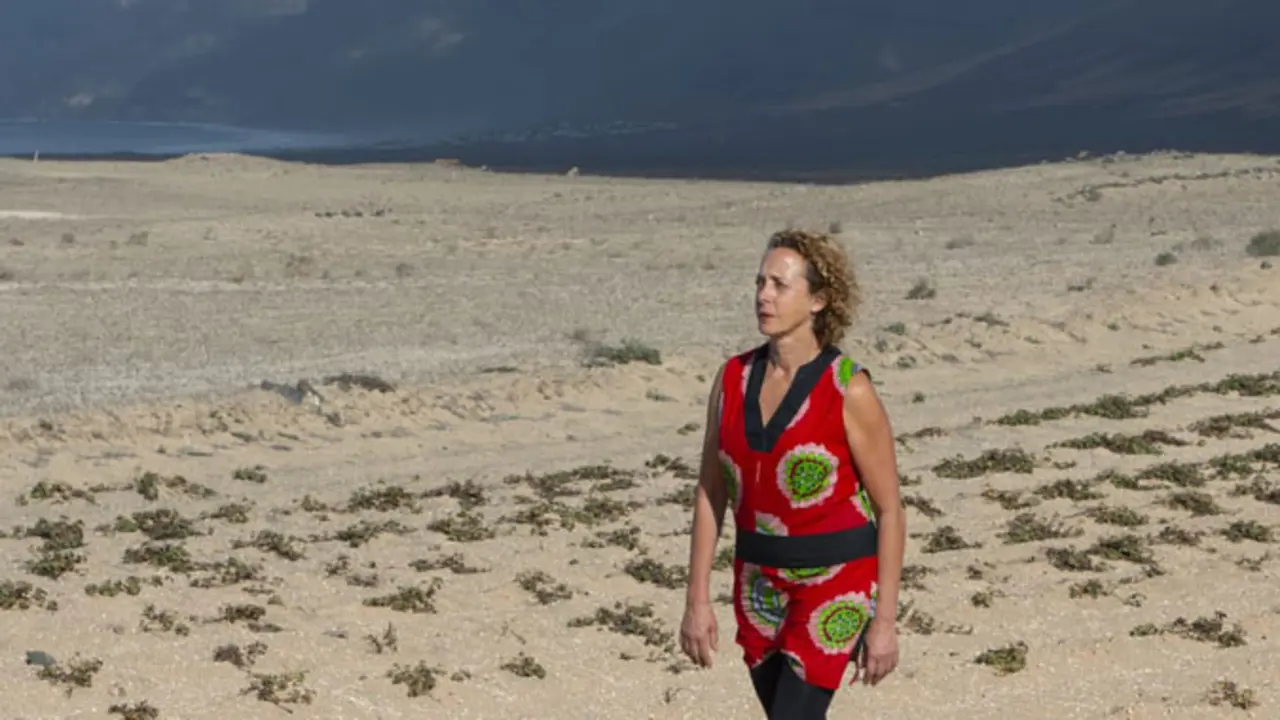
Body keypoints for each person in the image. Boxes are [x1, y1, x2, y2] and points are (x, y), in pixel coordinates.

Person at [680, 228, 906, 719]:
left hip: (835, 581)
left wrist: (885, 623)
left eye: (780, 285)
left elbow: (890, 509)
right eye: (760, 283)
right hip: (758, 585)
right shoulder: (732, 378)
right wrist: (696, 600)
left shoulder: (848, 389)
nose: (764, 295)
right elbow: (710, 491)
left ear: (818, 300)